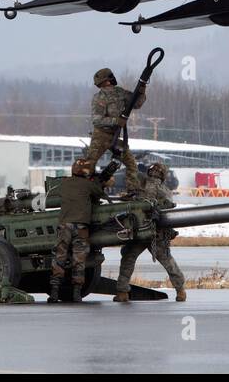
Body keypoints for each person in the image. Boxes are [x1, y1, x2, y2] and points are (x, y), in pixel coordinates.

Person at [115, 162, 187, 302]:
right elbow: (168, 207)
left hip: (138, 231)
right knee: (168, 262)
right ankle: (180, 291)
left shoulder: (140, 184)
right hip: (156, 232)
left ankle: (122, 293)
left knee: (128, 260)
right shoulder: (165, 190)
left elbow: (131, 200)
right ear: (163, 175)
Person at [48, 158, 108, 303]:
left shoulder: (65, 183)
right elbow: (100, 193)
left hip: (65, 226)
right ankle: (76, 293)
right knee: (79, 260)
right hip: (81, 227)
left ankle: (54, 293)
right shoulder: (88, 185)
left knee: (59, 257)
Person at [84, 67, 145, 192]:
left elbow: (136, 103)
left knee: (131, 164)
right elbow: (97, 120)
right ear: (106, 81)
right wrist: (116, 121)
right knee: (88, 165)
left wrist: (142, 90)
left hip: (115, 136)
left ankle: (132, 191)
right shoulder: (99, 98)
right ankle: (85, 191)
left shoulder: (120, 93)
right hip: (100, 136)